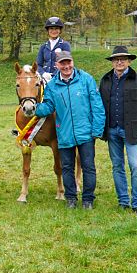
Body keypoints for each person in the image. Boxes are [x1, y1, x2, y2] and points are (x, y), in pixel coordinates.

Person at [35, 50, 105, 209]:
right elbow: (48, 106)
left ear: (72, 62)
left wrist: (97, 130)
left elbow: (97, 106)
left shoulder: (85, 79)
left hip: (86, 133)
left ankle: (88, 199)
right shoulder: (52, 85)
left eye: (68, 62)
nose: (66, 66)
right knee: (67, 167)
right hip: (65, 134)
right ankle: (71, 198)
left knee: (88, 167)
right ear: (56, 65)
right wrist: (35, 108)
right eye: (62, 63)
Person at [99, 46, 137, 215]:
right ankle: (123, 201)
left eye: (123, 59)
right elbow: (100, 106)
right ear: (112, 62)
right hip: (112, 130)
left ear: (129, 61)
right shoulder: (105, 80)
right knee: (117, 166)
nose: (119, 62)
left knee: (136, 166)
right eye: (116, 59)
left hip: (133, 131)